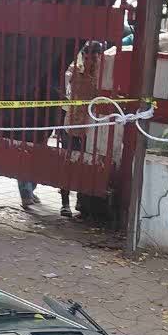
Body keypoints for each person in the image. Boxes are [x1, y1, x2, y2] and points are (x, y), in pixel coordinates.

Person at [58, 40, 105, 218]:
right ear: (83, 56)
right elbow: (64, 93)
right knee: (68, 163)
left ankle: (81, 199)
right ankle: (65, 203)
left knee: (86, 164)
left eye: (95, 56)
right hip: (72, 124)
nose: (91, 60)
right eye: (88, 56)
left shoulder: (103, 76)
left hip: (91, 129)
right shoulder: (74, 71)